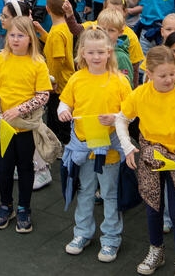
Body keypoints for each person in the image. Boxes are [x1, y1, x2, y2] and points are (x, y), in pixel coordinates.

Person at [115, 45, 175, 276]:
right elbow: (122, 119)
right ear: (148, 74)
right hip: (151, 157)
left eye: (173, 74)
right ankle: (156, 252)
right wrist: (128, 147)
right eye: (163, 75)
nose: (170, 79)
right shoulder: (140, 94)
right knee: (153, 209)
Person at [59, 26, 132, 261]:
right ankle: (82, 233)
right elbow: (65, 103)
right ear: (82, 53)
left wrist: (116, 118)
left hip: (109, 149)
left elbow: (131, 113)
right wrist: (63, 111)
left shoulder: (120, 81)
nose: (96, 57)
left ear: (109, 52)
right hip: (83, 147)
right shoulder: (77, 78)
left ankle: (111, 239)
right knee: (85, 191)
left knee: (110, 194)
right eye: (91, 53)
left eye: (100, 52)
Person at [0, 14, 60, 234]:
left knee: (26, 167)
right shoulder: (1, 58)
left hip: (25, 126)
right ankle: (5, 205)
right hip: (3, 126)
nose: (15, 40)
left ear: (30, 38)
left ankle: (24, 207)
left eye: (21, 35)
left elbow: (43, 95)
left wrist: (20, 109)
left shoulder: (38, 63)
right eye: (12, 35)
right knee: (4, 168)